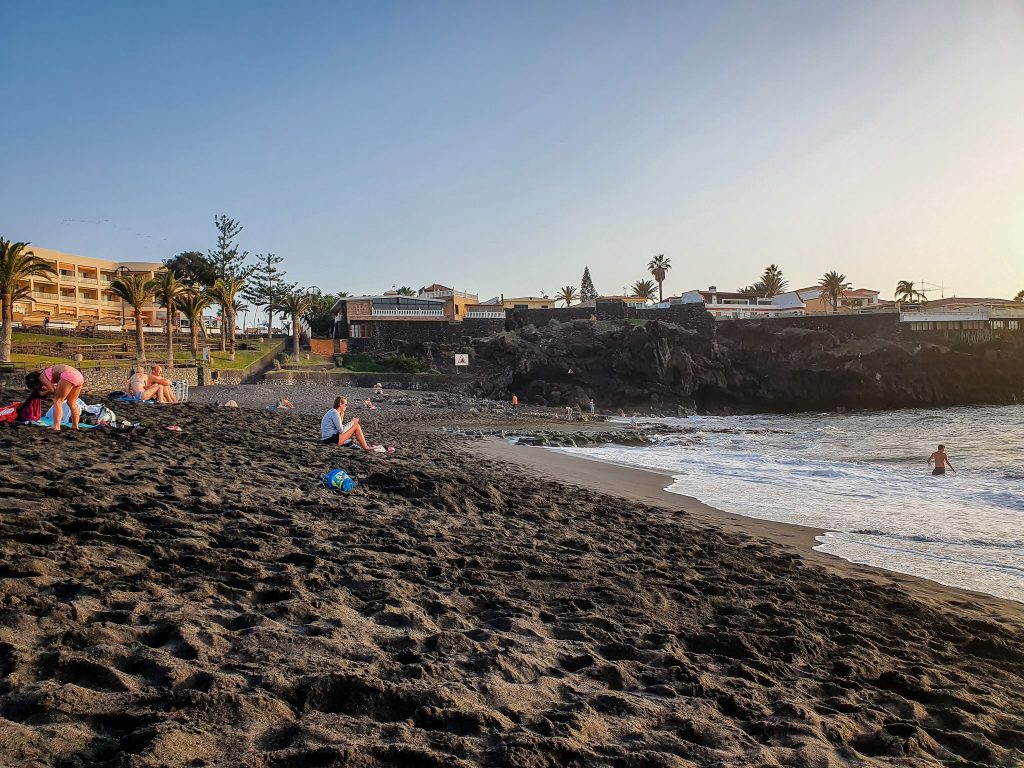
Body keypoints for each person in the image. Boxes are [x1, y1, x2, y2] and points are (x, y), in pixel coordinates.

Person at [37, 364, 85, 431]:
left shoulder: (42, 376)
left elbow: (52, 390)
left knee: (57, 401)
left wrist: (42, 393)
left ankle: (56, 426)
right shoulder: (52, 370)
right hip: (79, 376)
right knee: (72, 403)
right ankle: (75, 426)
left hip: (69, 375)